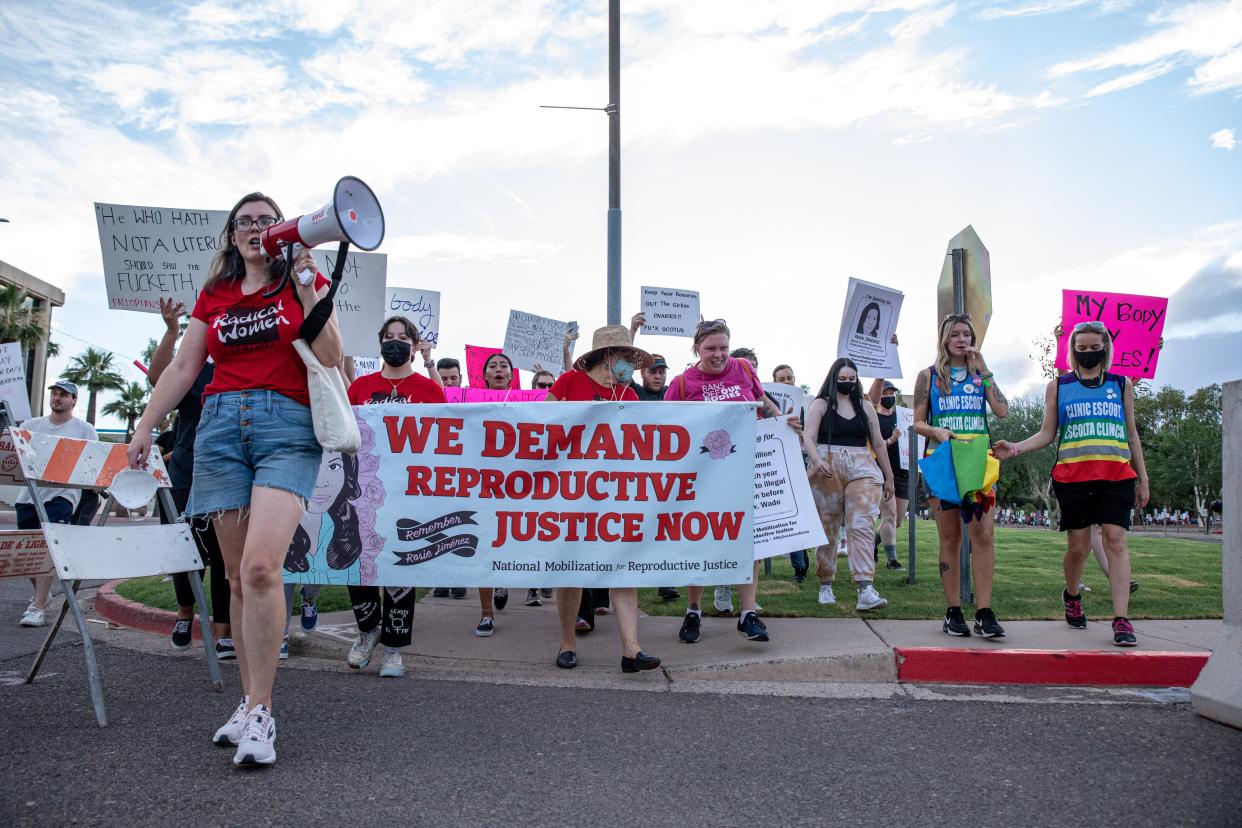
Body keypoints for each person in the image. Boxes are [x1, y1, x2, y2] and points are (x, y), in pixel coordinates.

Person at [128, 191, 342, 767]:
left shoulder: (301, 282)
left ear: (281, 231)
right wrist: (147, 425)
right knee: (234, 577)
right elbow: (183, 366)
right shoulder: (216, 293)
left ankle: (263, 712)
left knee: (261, 567)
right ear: (231, 236)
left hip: (286, 427)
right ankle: (249, 703)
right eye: (244, 222)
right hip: (220, 430)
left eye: (266, 221)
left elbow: (333, 355)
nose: (255, 229)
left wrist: (307, 286)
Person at [993, 321, 1149, 646]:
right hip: (1073, 477)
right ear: (1073, 350)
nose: (1089, 353)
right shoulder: (1059, 386)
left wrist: (1143, 479)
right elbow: (1048, 433)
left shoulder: (1121, 385)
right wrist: (1016, 448)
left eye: (1096, 348)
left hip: (1117, 475)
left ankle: (1122, 620)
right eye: (1083, 348)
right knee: (1078, 548)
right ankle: (1072, 594)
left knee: (1116, 542)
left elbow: (1131, 434)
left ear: (1106, 347)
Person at [545, 325, 660, 673]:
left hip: (617, 492)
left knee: (623, 565)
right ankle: (567, 642)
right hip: (572, 492)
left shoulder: (629, 394)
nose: (629, 368)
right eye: (626, 359)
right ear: (608, 357)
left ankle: (631, 649)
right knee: (571, 568)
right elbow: (539, 424)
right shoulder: (569, 383)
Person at [665, 319, 787, 644]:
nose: (718, 355)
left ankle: (748, 615)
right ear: (696, 349)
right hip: (702, 479)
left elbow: (766, 405)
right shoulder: (681, 383)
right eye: (710, 349)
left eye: (723, 348)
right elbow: (663, 426)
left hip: (745, 472)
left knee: (750, 541)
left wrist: (785, 425)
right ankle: (693, 611)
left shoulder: (744, 369)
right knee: (702, 541)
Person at [341, 315, 447, 675]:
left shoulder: (430, 391)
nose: (396, 341)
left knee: (402, 564)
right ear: (380, 342)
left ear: (415, 346)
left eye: (404, 337)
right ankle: (368, 630)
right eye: (389, 336)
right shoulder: (360, 387)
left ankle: (394, 648)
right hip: (364, 490)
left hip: (409, 491)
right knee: (361, 563)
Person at [912, 314, 1009, 639]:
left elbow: (1002, 410)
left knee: (983, 537)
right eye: (955, 334)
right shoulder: (928, 376)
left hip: (978, 465)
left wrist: (985, 371)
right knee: (950, 538)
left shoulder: (980, 376)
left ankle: (984, 611)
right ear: (944, 338)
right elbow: (917, 422)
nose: (962, 339)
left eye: (967, 334)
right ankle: (953, 610)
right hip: (942, 462)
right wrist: (935, 430)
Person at [148, 296, 233, 657]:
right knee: (186, 551)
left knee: (226, 556)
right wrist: (171, 331)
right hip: (185, 473)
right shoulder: (195, 367)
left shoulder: (247, 370)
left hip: (229, 475)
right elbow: (157, 378)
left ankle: (224, 630)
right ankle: (184, 613)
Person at [802, 359, 895, 610]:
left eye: (852, 379)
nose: (847, 383)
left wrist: (889, 476)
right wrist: (817, 459)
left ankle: (865, 588)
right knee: (827, 526)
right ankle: (825, 583)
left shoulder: (865, 406)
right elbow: (808, 437)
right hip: (827, 467)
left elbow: (877, 442)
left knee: (862, 524)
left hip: (862, 466)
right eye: (842, 379)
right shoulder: (821, 404)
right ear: (834, 378)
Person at [15, 380, 97, 627]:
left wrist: (93, 481)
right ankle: (43, 593)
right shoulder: (30, 425)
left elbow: (94, 459)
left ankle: (38, 606)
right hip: (28, 497)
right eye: (55, 393)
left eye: (64, 395)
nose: (58, 398)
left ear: (74, 401)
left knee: (47, 548)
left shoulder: (84, 429)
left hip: (62, 497)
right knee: (26, 553)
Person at [475, 352, 518, 626]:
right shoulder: (471, 403)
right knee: (485, 547)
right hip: (483, 485)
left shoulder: (529, 403)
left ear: (512, 376)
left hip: (519, 485)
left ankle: (503, 578)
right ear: (485, 376)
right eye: (493, 366)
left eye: (504, 366)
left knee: (510, 543)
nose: (499, 370)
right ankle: (486, 613)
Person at [867, 379, 907, 571]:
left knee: (897, 520)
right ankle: (892, 560)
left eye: (891, 393)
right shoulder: (872, 417)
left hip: (904, 473)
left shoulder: (903, 416)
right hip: (882, 472)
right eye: (884, 393)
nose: (888, 396)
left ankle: (873, 542)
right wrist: (890, 440)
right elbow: (873, 446)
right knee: (889, 515)